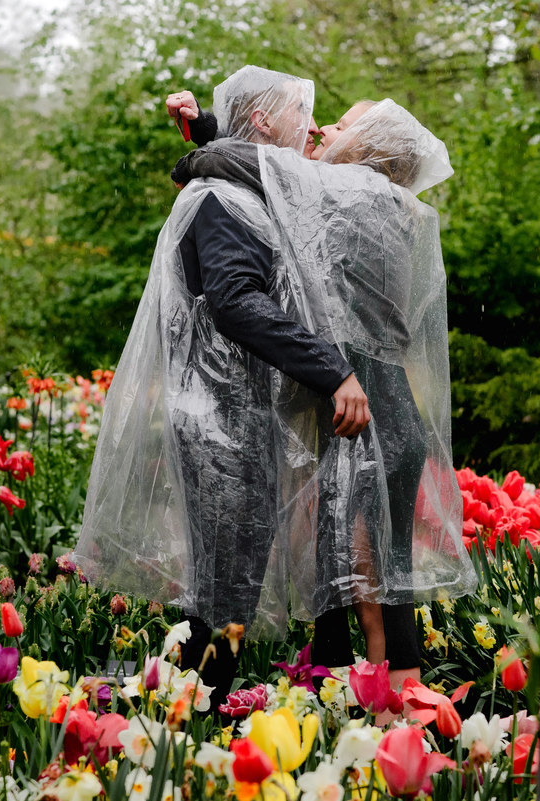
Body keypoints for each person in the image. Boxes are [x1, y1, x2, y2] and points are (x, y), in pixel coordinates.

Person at [72, 66, 371, 707]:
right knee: (226, 579)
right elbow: (237, 301)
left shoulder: (238, 188)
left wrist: (206, 126)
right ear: (263, 121)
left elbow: (248, 158)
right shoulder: (219, 200)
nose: (312, 125)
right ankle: (178, 708)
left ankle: (177, 700)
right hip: (217, 422)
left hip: (236, 419)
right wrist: (334, 371)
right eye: (300, 110)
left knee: (226, 583)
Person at [170, 96, 474, 697]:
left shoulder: (341, 193)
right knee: (382, 571)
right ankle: (387, 705)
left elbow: (241, 161)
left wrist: (200, 142)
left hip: (364, 417)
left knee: (360, 574)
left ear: (368, 150)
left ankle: (372, 706)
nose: (321, 129)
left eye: (340, 126)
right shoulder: (389, 204)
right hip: (394, 416)